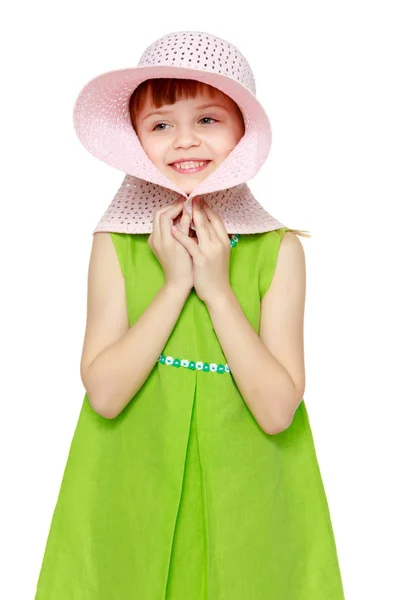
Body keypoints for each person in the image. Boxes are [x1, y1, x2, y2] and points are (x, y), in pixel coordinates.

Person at [34, 30, 345, 599]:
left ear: (243, 131)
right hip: (130, 485)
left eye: (207, 119)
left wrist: (219, 291)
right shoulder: (114, 243)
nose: (184, 140)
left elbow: (278, 410)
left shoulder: (279, 250)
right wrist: (176, 284)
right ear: (135, 139)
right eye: (160, 124)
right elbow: (104, 394)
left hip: (250, 491)